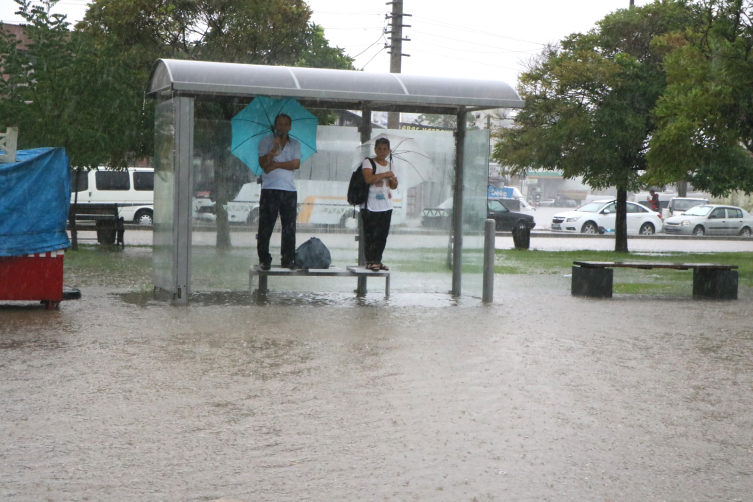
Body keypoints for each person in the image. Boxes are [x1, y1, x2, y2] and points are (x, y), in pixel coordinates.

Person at [257, 114, 301, 270]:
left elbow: (295, 164)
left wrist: (275, 165)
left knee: (289, 226)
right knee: (266, 225)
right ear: (275, 126)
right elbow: (263, 165)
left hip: (288, 190)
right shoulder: (265, 142)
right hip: (270, 190)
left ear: (289, 127)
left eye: (285, 124)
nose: (282, 127)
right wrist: (272, 152)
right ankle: (264, 258)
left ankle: (288, 259)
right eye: (280, 124)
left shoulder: (295, 144)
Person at [361, 137, 398, 271]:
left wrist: (392, 179)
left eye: (385, 149)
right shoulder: (368, 162)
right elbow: (368, 179)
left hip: (386, 205)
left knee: (382, 235)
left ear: (388, 150)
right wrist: (384, 174)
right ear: (375, 149)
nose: (382, 152)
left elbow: (394, 186)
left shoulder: (391, 165)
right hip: (370, 205)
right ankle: (370, 261)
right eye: (379, 149)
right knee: (371, 234)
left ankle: (378, 260)